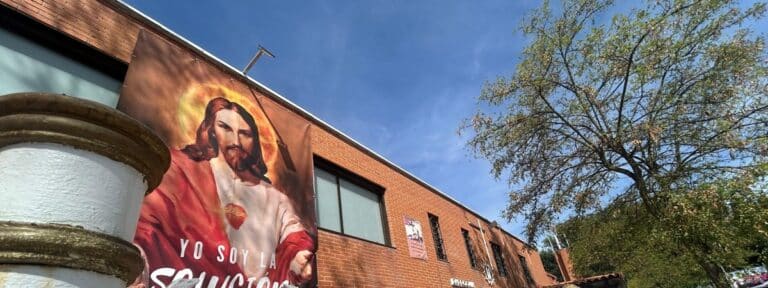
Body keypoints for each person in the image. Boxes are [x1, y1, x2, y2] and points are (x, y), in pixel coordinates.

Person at [131, 97, 314, 288]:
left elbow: (294, 237)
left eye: (245, 133)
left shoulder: (276, 199)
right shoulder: (181, 170)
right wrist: (137, 264)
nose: (236, 141)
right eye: (225, 128)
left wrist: (297, 257)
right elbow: (145, 223)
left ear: (255, 141)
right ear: (211, 131)